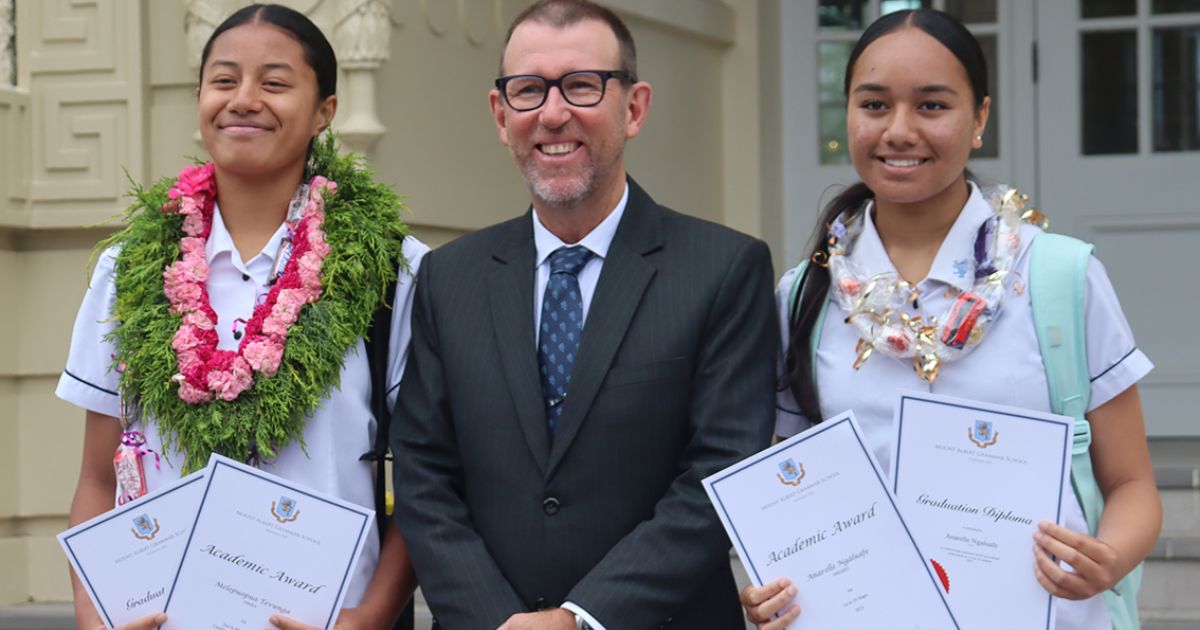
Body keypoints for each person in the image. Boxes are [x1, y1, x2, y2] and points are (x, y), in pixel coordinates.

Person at [739, 8, 1162, 630]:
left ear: (980, 118)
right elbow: (794, 494)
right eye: (875, 105)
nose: (899, 130)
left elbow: (1132, 486)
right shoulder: (805, 294)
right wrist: (768, 584)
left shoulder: (1058, 277)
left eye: (932, 106)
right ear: (849, 114)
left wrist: (1109, 558)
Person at [389, 0, 778, 628]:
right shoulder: (448, 277)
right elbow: (423, 473)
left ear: (634, 107)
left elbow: (718, 472)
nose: (552, 112)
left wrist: (581, 617)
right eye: (528, 90)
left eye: (581, 85)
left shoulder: (723, 270)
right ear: (500, 114)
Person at [58, 4, 427, 629]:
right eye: (224, 81)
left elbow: (427, 482)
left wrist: (368, 618)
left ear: (324, 113)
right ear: (200, 97)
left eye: (275, 83)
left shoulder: (391, 270)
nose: (244, 100)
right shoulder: (128, 268)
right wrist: (97, 619)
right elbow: (97, 477)